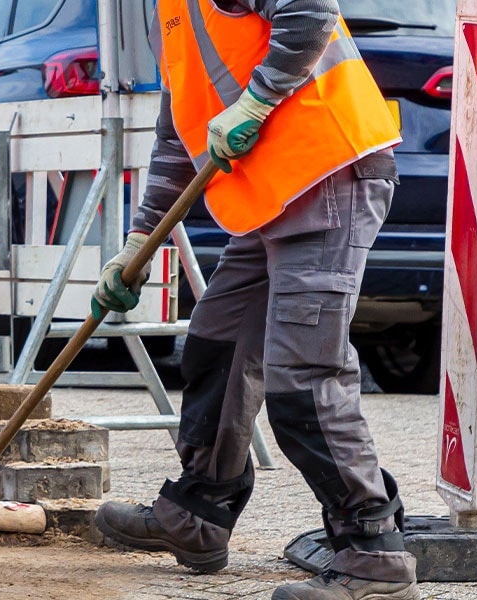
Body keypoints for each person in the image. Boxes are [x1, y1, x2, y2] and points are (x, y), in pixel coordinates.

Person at [86, 1, 415, 599]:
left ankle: (374, 556)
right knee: (217, 347)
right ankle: (199, 512)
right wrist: (137, 242)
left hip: (328, 174)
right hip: (271, 199)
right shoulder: (171, 13)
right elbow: (177, 134)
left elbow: (311, 10)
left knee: (303, 377)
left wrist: (257, 100)